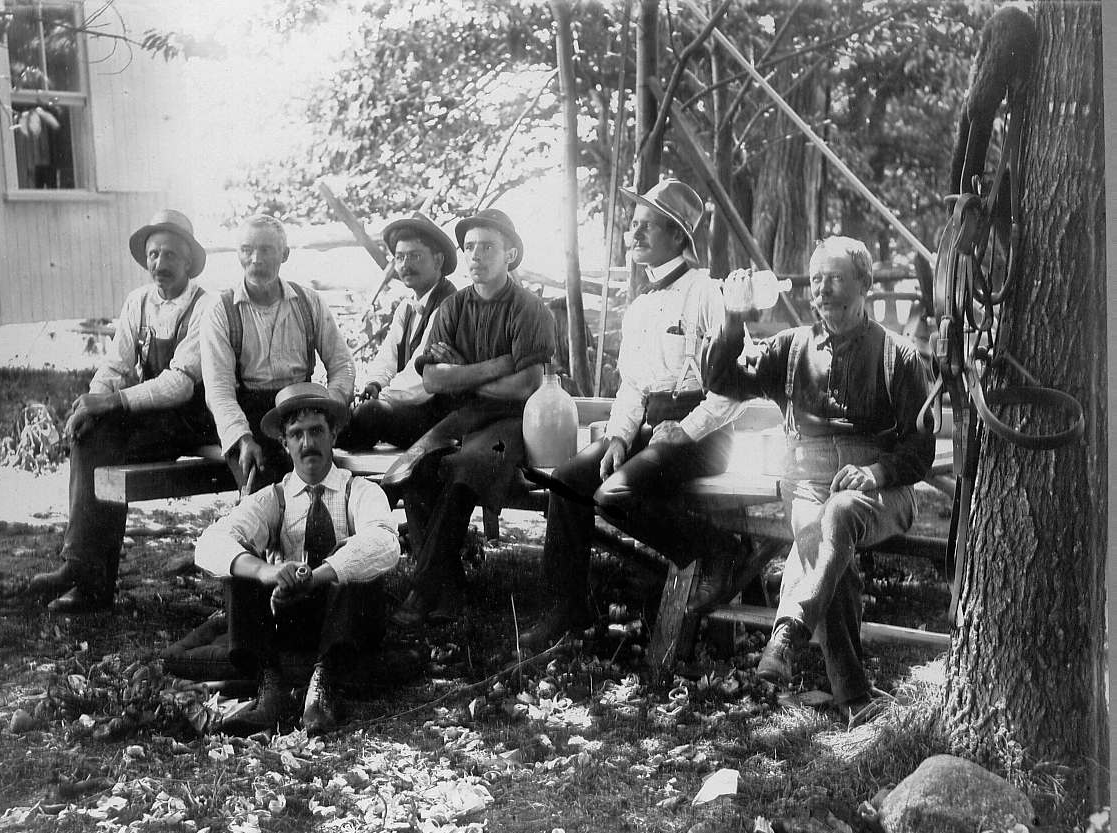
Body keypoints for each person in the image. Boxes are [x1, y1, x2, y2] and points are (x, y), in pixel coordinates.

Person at [706, 235, 934, 724]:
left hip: (882, 493)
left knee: (840, 514)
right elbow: (722, 381)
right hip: (808, 486)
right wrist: (731, 319)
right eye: (816, 280)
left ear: (865, 284)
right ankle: (855, 699)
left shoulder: (898, 356)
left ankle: (787, 632)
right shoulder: (790, 349)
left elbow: (921, 450)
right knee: (829, 546)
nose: (823, 290)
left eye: (835, 279)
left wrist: (875, 473)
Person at [522, 179, 748, 651]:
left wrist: (686, 430)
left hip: (706, 435)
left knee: (613, 495)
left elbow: (735, 388)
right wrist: (620, 439)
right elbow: (633, 386)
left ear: (678, 235)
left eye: (648, 226)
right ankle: (566, 608)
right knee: (567, 480)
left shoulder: (709, 293)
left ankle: (716, 548)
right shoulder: (641, 305)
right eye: (634, 224)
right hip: (653, 429)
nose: (634, 233)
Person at [29, 209, 217, 613]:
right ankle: (84, 574)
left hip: (194, 420)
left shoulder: (206, 306)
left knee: (104, 448)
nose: (160, 264)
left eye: (170, 255)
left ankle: (87, 578)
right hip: (153, 417)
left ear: (188, 261)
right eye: (153, 255)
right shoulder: (139, 302)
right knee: (93, 437)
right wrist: (92, 405)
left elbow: (181, 383)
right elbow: (115, 366)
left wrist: (110, 403)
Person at [194, 383, 401, 736]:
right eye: (296, 434)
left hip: (344, 619)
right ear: (284, 442)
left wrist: (319, 575)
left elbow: (385, 542)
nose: (308, 444)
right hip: (291, 619)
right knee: (239, 562)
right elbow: (209, 543)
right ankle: (270, 689)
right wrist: (267, 572)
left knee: (357, 560)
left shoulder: (360, 491)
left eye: (317, 431)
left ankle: (323, 687)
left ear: (334, 434)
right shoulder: (274, 498)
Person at [383, 208, 556, 627]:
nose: (476, 256)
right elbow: (432, 379)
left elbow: (526, 385)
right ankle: (451, 590)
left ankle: (423, 590)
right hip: (460, 417)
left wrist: (461, 376)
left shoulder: (529, 309)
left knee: (467, 469)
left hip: (513, 424)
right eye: (470, 247)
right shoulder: (453, 307)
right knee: (411, 471)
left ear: (510, 254)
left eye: (488, 247)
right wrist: (496, 366)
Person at [200, 214, 355, 494]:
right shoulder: (221, 311)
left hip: (302, 408)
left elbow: (342, 364)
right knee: (264, 495)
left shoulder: (308, 302)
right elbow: (219, 390)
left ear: (285, 254)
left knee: (320, 489)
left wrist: (329, 409)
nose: (256, 259)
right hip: (248, 416)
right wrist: (242, 438)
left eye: (266, 250)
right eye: (247, 250)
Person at [336, 212, 458, 450]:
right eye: (400, 257)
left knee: (369, 413)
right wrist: (374, 384)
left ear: (438, 260)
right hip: (410, 408)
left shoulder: (449, 305)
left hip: (438, 417)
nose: (405, 265)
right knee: (349, 410)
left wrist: (380, 399)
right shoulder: (407, 307)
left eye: (415, 256)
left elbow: (419, 380)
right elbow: (388, 357)